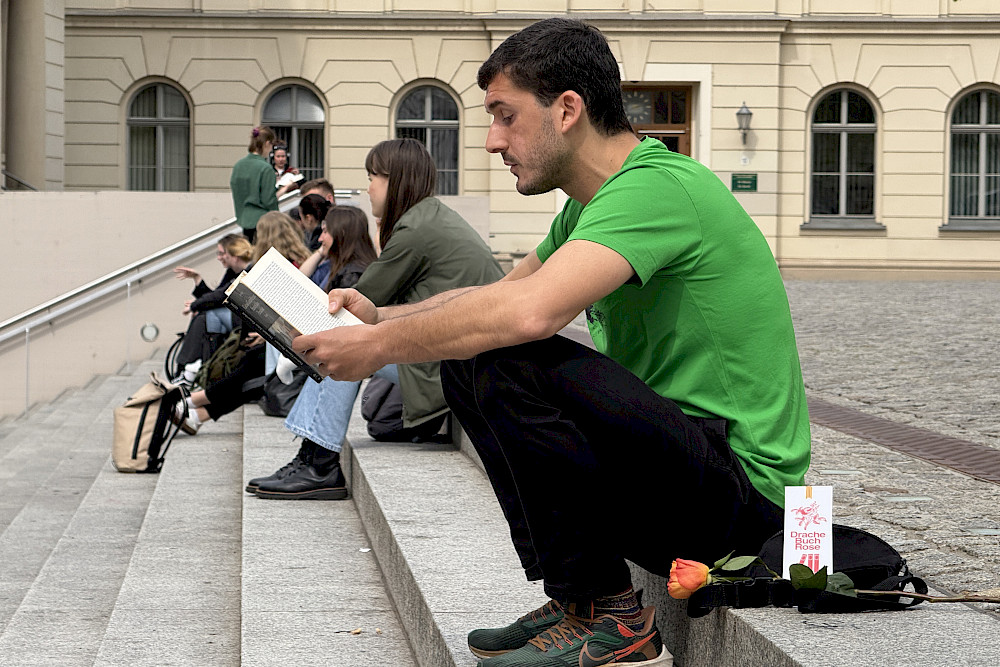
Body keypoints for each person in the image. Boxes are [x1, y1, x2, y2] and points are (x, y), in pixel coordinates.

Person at [291, 18, 811, 667]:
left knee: (506, 352)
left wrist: (380, 350)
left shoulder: (659, 188)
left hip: (743, 500)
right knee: (470, 348)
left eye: (506, 116)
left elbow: (527, 312)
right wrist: (378, 317)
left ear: (567, 109)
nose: (490, 141)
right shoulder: (591, 206)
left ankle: (617, 618)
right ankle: (580, 600)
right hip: (681, 477)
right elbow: (500, 290)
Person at [247, 138, 504, 501]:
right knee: (349, 348)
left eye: (374, 177)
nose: (368, 187)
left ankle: (318, 462)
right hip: (461, 355)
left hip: (457, 362)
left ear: (397, 180)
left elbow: (362, 303)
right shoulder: (427, 217)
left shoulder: (416, 230)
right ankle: (313, 457)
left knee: (345, 343)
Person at [177, 212, 312, 432]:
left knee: (249, 367)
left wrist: (268, 334)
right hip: (279, 338)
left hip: (287, 341)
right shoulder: (301, 262)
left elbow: (225, 295)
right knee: (249, 367)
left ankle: (193, 401)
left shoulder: (271, 266)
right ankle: (197, 411)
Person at [170, 234, 253, 384]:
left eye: (222, 253)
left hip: (245, 323)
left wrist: (195, 305)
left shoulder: (250, 270)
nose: (219, 257)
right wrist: (197, 279)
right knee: (206, 314)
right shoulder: (232, 272)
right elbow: (215, 298)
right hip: (235, 318)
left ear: (234, 255)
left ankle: (186, 368)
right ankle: (194, 368)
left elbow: (221, 295)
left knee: (205, 316)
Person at [230, 126, 279, 243]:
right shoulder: (266, 168)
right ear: (267, 143)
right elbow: (269, 200)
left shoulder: (238, 166)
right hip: (264, 223)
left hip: (244, 220)